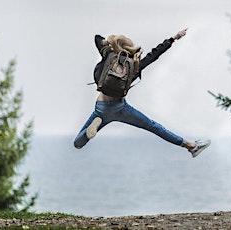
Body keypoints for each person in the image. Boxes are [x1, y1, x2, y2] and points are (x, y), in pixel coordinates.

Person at [74, 28, 211, 158]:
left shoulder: (108, 56)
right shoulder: (134, 65)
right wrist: (173, 38)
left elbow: (97, 38)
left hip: (101, 107)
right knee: (153, 126)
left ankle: (90, 130)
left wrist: (111, 46)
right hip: (120, 108)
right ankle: (191, 146)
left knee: (78, 144)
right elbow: (154, 55)